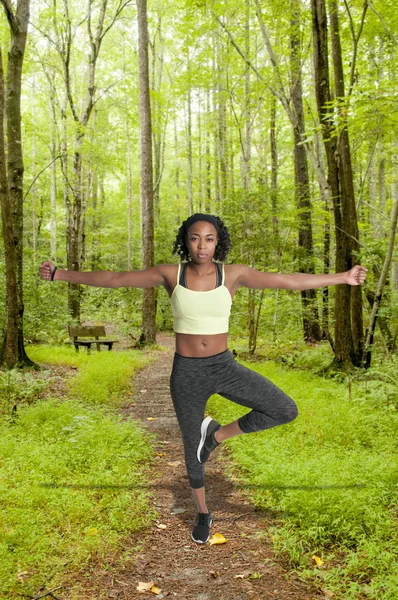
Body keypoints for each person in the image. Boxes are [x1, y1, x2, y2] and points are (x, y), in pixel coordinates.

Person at [39, 213, 367, 544]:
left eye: (209, 239)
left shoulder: (234, 275)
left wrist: (343, 277)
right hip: (187, 371)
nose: (202, 245)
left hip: (224, 366)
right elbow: (116, 277)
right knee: (190, 448)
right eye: (195, 238)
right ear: (186, 241)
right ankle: (203, 512)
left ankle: (216, 435)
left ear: (218, 241)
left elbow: (288, 280)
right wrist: (59, 274)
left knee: (283, 409)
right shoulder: (171, 274)